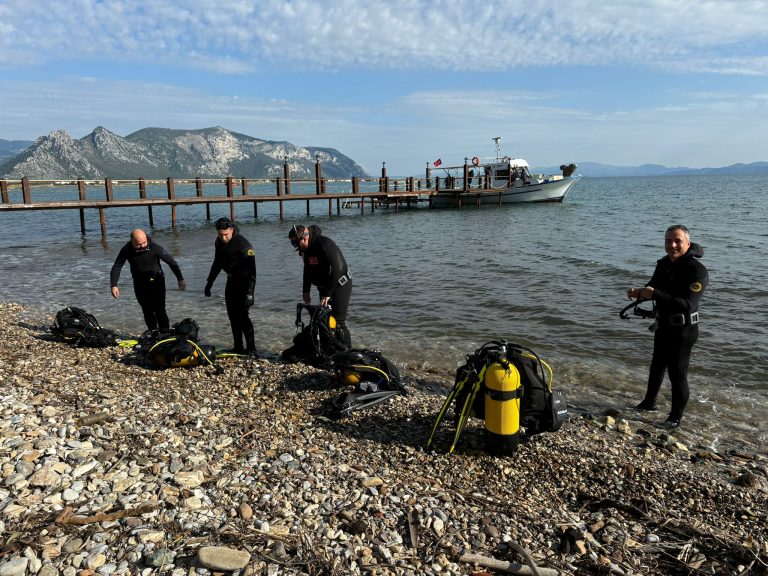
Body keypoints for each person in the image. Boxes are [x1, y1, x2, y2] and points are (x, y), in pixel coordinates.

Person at [626, 224, 709, 429]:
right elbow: (653, 286)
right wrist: (638, 292)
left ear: (687, 243)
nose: (672, 245)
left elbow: (687, 305)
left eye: (677, 241)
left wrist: (653, 293)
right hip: (663, 325)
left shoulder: (697, 271)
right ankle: (648, 403)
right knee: (657, 366)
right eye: (668, 240)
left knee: (677, 374)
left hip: (684, 330)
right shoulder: (664, 264)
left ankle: (674, 418)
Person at [288, 224, 352, 347]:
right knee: (325, 319)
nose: (295, 247)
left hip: (340, 284)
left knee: (339, 322)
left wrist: (328, 294)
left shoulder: (324, 244)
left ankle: (348, 351)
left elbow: (337, 269)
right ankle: (334, 349)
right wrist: (306, 290)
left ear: (304, 238)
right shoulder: (305, 250)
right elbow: (307, 269)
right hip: (324, 287)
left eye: (295, 243)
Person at [110, 229, 185, 332]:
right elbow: (117, 266)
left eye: (144, 242)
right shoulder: (126, 249)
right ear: (132, 241)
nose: (142, 246)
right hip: (139, 283)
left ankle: (165, 332)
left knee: (160, 309)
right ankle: (153, 332)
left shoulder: (155, 247)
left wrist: (180, 279)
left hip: (157, 280)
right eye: (138, 244)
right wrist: (114, 285)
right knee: (147, 310)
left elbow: (172, 263)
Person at [204, 217, 257, 356]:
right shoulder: (219, 242)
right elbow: (217, 263)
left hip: (245, 283)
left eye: (226, 234)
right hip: (232, 281)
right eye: (220, 234)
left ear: (232, 230)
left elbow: (252, 272)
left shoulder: (243, 245)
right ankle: (238, 346)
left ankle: (251, 348)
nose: (223, 237)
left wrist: (250, 293)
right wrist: (209, 283)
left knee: (243, 316)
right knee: (232, 316)